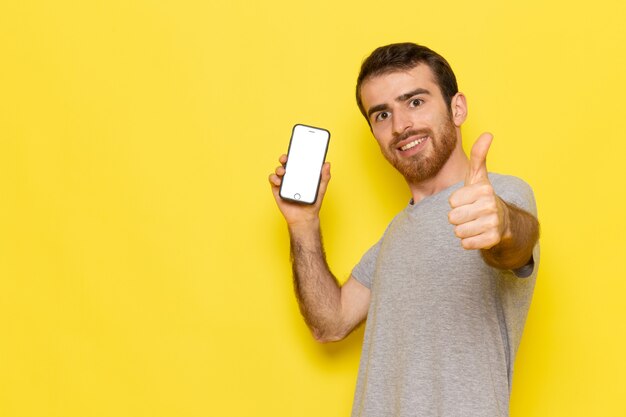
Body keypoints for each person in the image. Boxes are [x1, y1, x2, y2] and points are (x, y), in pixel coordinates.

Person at [268, 42, 540, 417]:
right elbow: (330, 323)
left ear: (456, 108)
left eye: (415, 102)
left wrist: (504, 223)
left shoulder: (501, 197)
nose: (400, 126)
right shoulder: (394, 236)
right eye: (381, 115)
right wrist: (303, 224)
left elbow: (516, 244)